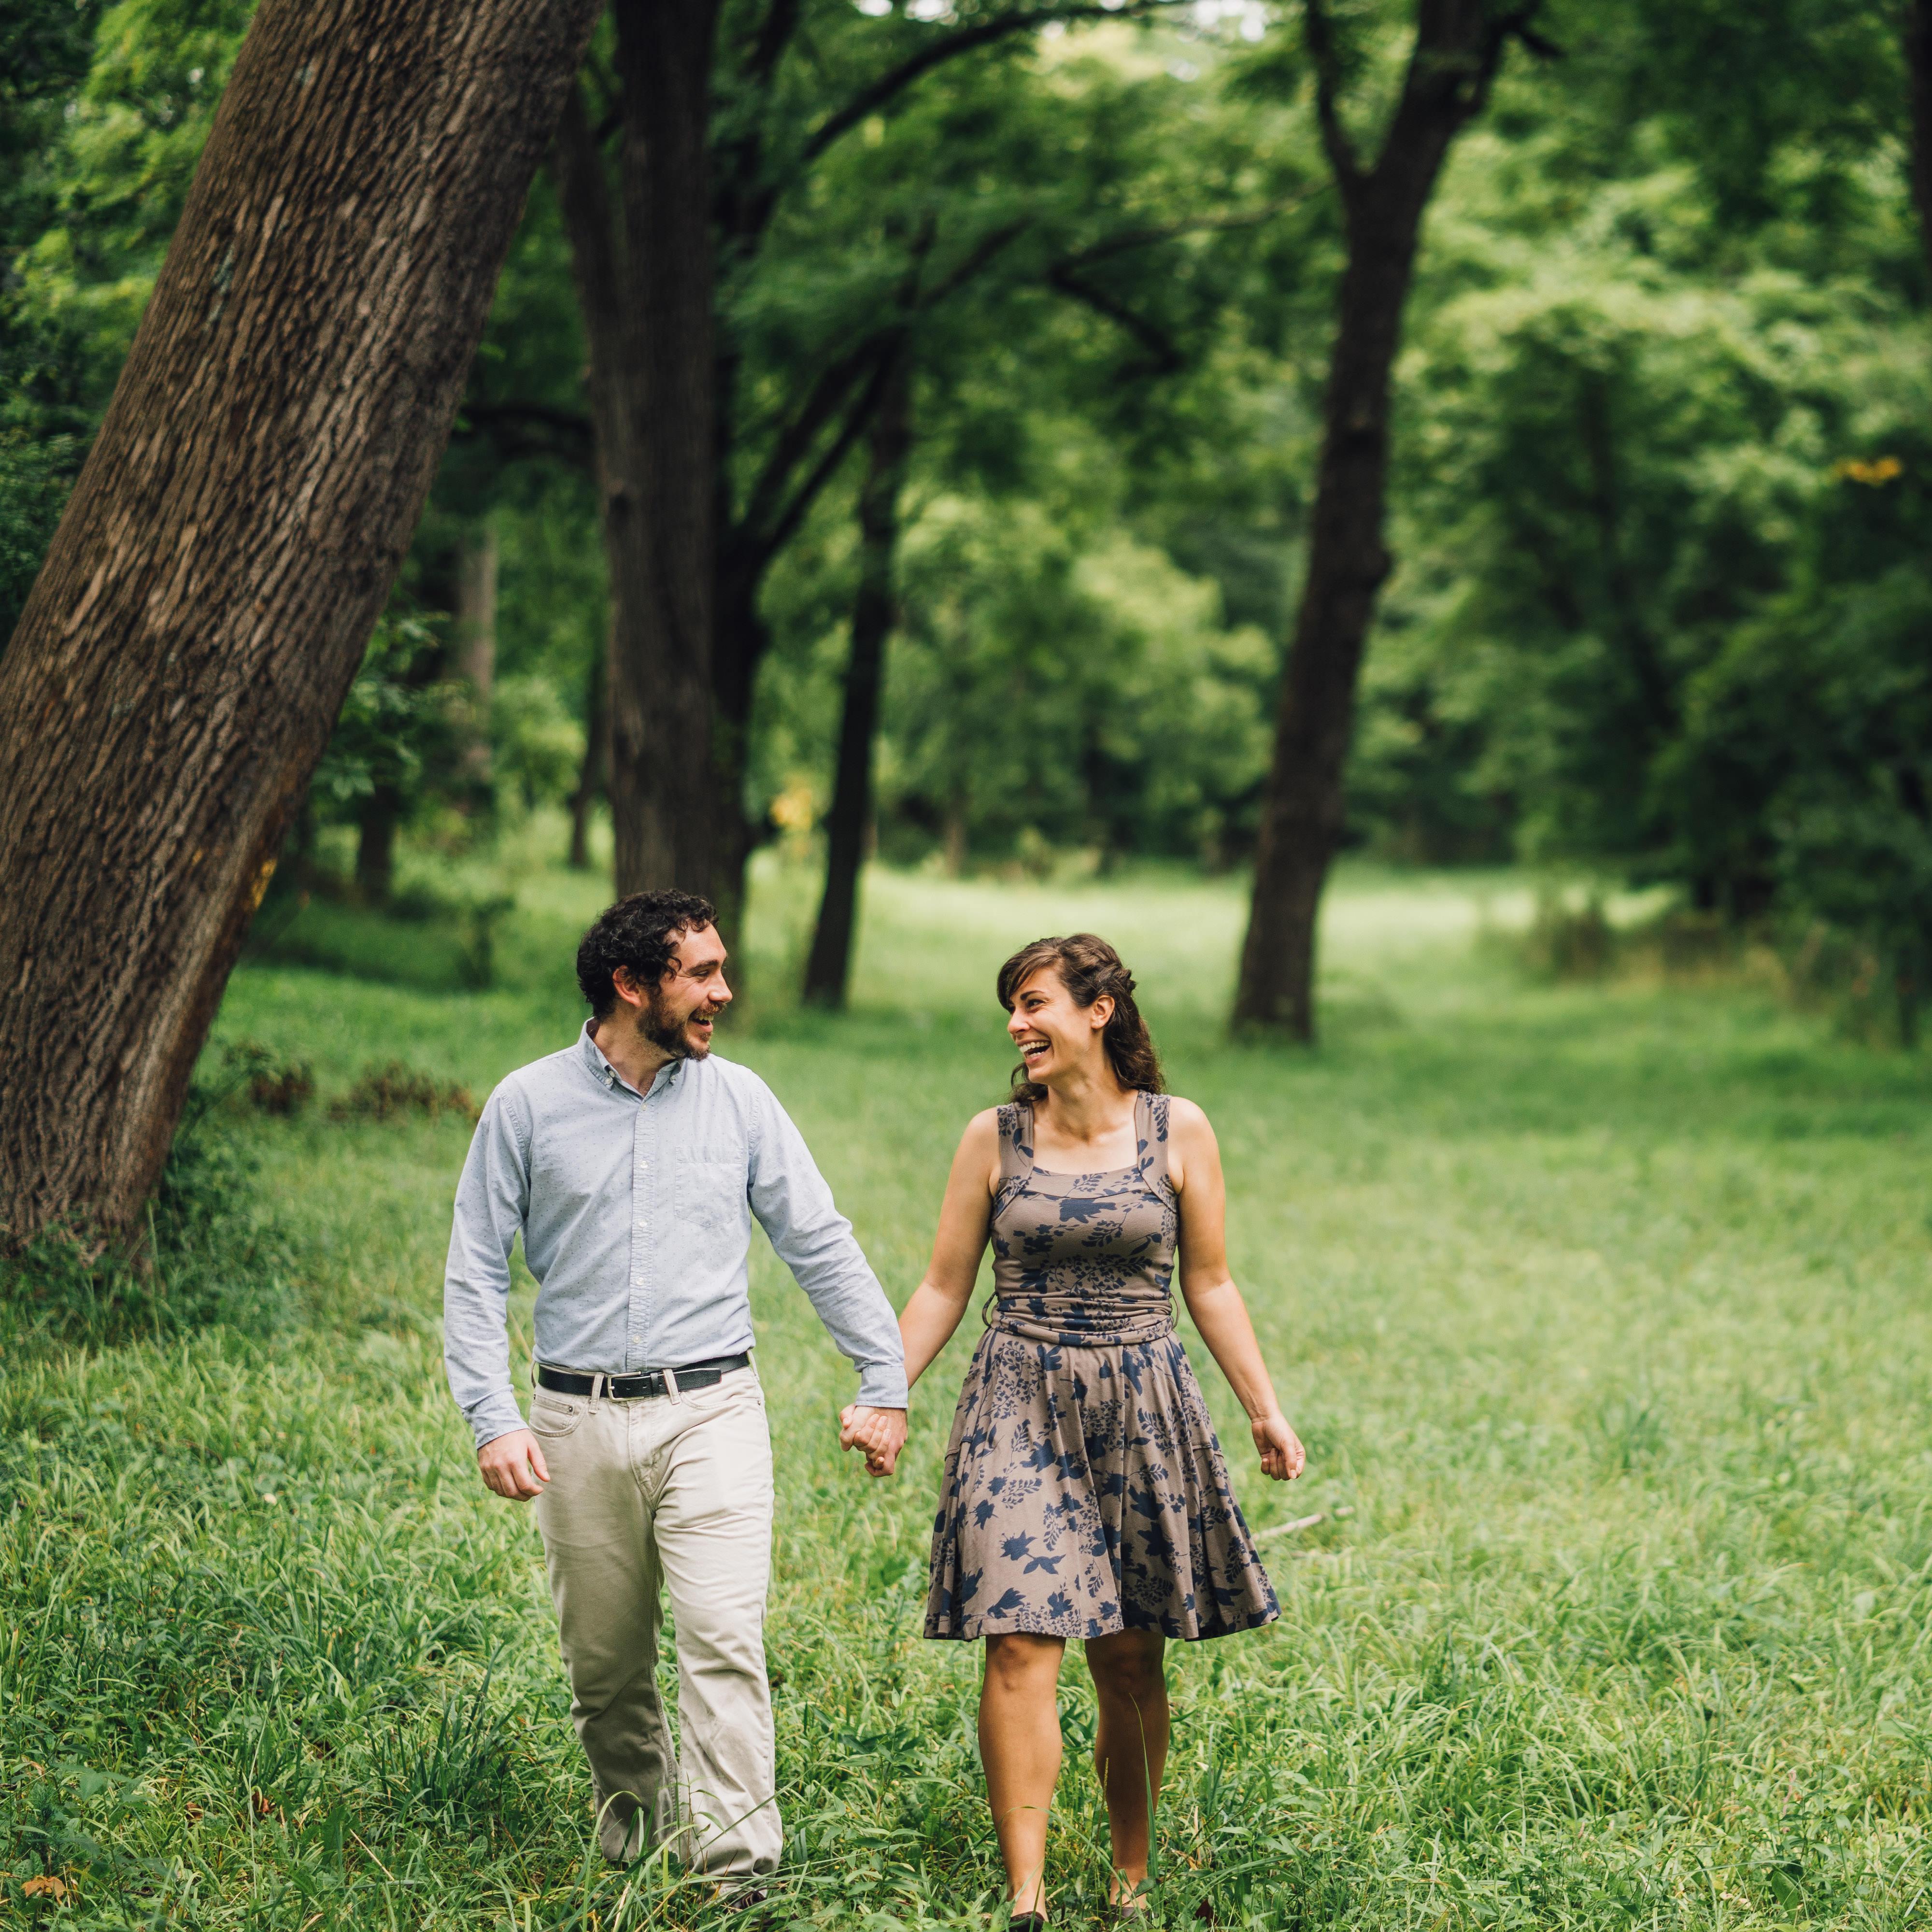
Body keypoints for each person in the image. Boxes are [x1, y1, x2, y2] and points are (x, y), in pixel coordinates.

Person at [443, 889, 907, 1893]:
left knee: (722, 1641)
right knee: (606, 1670)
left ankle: (737, 1866)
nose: (722, 992)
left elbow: (817, 1237)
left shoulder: (740, 1100)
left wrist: (884, 1374)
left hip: (712, 1411)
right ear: (630, 983)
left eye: (719, 970)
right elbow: (475, 1270)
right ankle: (635, 1845)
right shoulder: (525, 1104)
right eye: (700, 973)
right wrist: (493, 1416)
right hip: (572, 1419)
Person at [853, 933, 1302, 1928]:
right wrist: (884, 1391)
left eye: (1033, 1001)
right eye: (1010, 1006)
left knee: (1130, 1655)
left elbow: (1211, 1281)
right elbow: (940, 1285)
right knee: (1017, 1640)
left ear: (1098, 1010)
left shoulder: (1177, 1129)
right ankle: (1026, 1896)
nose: (1017, 1023)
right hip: (1017, 1393)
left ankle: (1130, 1879)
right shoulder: (993, 1136)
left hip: (1142, 1401)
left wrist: (1263, 1407)